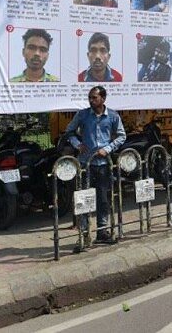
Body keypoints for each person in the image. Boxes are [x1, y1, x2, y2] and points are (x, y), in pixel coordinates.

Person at [64, 86, 126, 251]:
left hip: (104, 164)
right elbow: (69, 132)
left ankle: (102, 231)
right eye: (90, 98)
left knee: (103, 199)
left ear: (103, 99)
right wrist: (78, 145)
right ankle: (85, 234)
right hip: (86, 163)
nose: (91, 101)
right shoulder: (83, 115)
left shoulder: (112, 116)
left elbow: (121, 135)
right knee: (84, 199)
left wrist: (108, 148)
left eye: (95, 98)